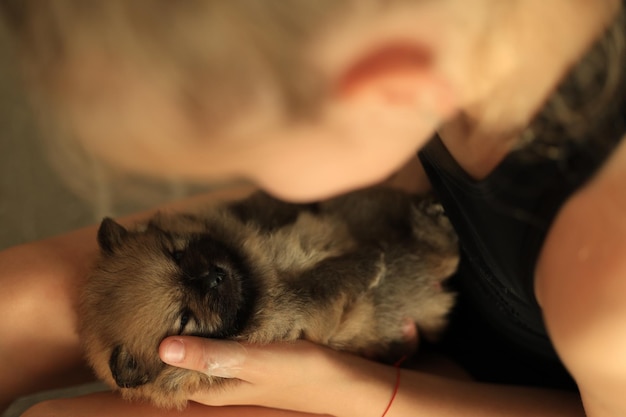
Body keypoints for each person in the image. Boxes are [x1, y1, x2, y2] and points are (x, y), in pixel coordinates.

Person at [0, 1, 624, 416]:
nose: (253, 180)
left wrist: (358, 394)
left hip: (515, 383)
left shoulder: (605, 304)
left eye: (247, 157)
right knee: (16, 304)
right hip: (413, 233)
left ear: (384, 89)